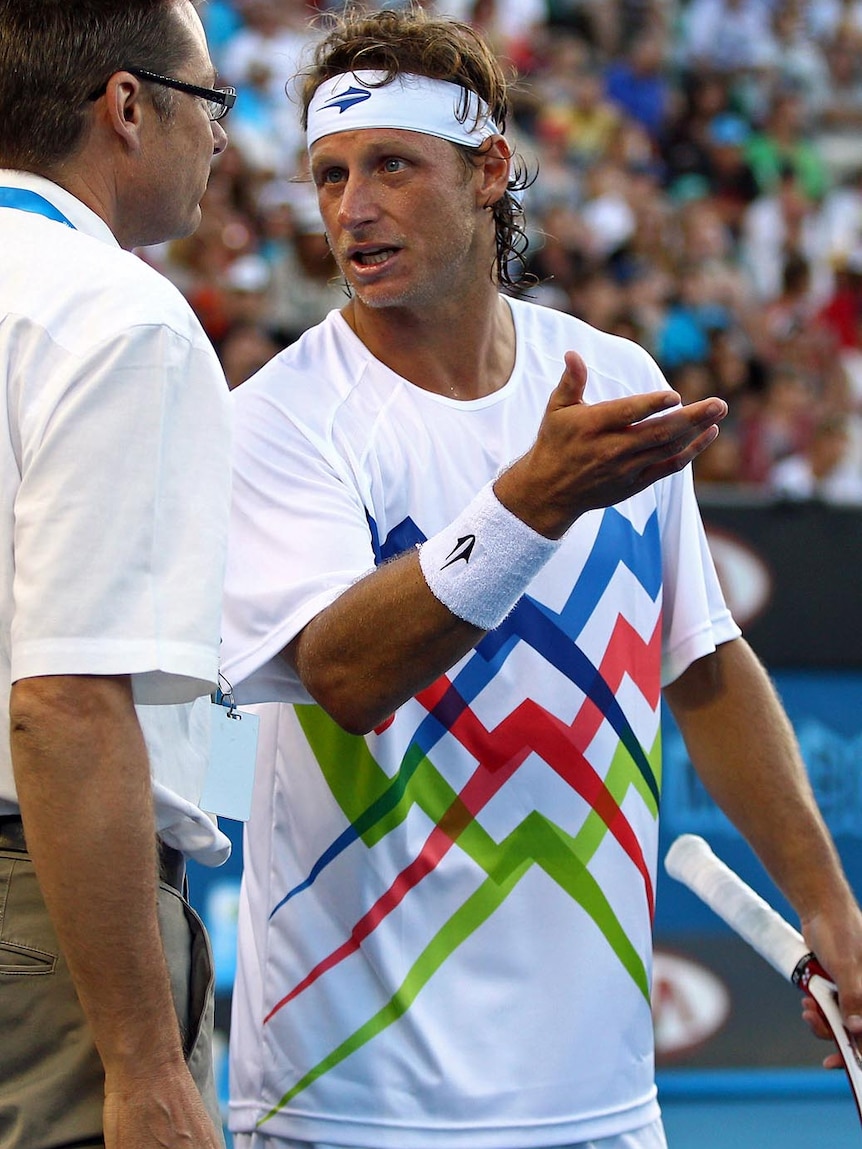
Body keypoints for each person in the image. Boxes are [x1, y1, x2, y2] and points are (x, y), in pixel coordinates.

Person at [219, 8, 862, 1149]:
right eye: (327, 174)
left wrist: (833, 909)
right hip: (354, 1100)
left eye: (392, 166)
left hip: (600, 1100)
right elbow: (347, 673)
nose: (350, 208)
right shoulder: (277, 421)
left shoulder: (611, 377)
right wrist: (531, 501)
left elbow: (703, 664)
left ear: (489, 172)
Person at [0, 1, 237, 1146]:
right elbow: (65, 703)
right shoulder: (114, 313)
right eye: (211, 103)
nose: (222, 139)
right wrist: (145, 1065)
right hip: (44, 926)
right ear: (128, 105)